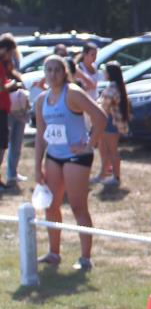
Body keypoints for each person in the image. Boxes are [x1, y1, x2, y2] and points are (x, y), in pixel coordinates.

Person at [33, 53, 107, 271]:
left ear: (64, 72)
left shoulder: (72, 93)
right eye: (49, 70)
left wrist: (89, 143)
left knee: (77, 206)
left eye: (57, 70)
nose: (53, 74)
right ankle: (54, 253)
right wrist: (37, 167)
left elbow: (100, 117)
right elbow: (40, 136)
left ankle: (85, 258)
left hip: (76, 157)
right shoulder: (41, 100)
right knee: (51, 205)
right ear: (44, 74)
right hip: (54, 156)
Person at [96, 62, 129, 189]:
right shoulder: (116, 86)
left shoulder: (112, 88)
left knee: (112, 150)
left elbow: (104, 105)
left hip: (110, 122)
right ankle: (103, 174)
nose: (103, 73)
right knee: (105, 149)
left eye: (105, 71)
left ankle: (116, 177)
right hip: (110, 121)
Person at [1, 34, 28, 187]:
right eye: (10, 51)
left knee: (14, 143)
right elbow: (1, 87)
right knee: (2, 145)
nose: (11, 55)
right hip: (4, 109)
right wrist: (12, 85)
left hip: (12, 107)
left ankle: (12, 173)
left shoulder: (9, 63)